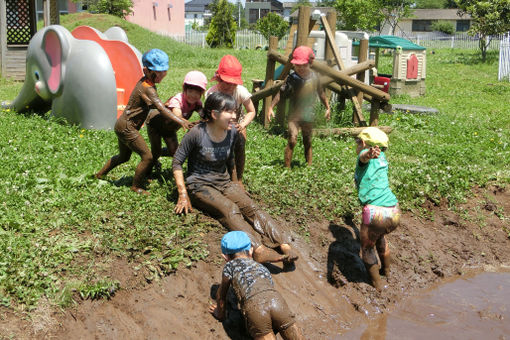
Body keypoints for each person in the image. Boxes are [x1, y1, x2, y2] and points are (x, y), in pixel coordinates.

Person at [172, 91, 298, 265]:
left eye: (235, 112)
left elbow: (231, 160)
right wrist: (182, 194)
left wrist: (237, 182)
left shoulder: (232, 133)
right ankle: (257, 249)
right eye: (229, 112)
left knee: (251, 207)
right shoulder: (196, 133)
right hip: (199, 185)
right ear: (214, 114)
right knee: (229, 209)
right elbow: (177, 162)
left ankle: (284, 244)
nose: (234, 116)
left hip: (223, 182)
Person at [95, 49, 192, 194]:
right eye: (158, 72)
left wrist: (165, 104)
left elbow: (152, 104)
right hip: (127, 127)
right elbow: (159, 108)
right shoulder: (148, 88)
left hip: (122, 124)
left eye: (164, 71)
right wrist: (181, 120)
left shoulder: (146, 83)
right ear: (146, 70)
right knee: (148, 157)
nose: (162, 75)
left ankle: (99, 175)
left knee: (123, 157)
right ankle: (136, 186)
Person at [209, 231, 304, 340]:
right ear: (250, 251)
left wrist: (220, 313)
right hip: (277, 301)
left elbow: (221, 295)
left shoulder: (229, 266)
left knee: (263, 329)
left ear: (225, 257)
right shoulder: (261, 267)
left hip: (255, 308)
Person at [267, 45, 331, 168]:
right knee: (292, 139)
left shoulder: (315, 78)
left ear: (310, 63)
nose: (300, 68)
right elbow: (280, 93)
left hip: (308, 114)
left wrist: (328, 107)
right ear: (293, 65)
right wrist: (271, 107)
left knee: (307, 141)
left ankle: (309, 166)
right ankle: (287, 168)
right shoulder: (291, 78)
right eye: (298, 65)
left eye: (304, 65)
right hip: (294, 116)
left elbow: (321, 93)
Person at [354, 127, 400, 291]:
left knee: (367, 248)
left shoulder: (364, 155)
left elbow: (363, 158)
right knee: (380, 237)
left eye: (357, 142)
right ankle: (386, 272)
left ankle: (378, 287)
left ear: (364, 143)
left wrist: (367, 153)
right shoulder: (382, 158)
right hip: (393, 211)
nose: (356, 145)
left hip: (375, 213)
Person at [206, 55, 256, 185]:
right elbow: (208, 117)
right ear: (219, 79)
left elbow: (251, 111)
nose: (229, 87)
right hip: (217, 125)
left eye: (233, 84)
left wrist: (243, 124)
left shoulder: (240, 92)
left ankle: (239, 179)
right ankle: (217, 173)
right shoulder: (212, 94)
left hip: (237, 124)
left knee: (240, 146)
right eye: (226, 83)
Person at [146, 70, 207, 171]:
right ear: (184, 89)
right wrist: (189, 123)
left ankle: (153, 154)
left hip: (169, 129)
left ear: (202, 93)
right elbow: (177, 116)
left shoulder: (197, 103)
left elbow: (203, 114)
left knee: (174, 152)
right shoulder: (177, 100)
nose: (193, 95)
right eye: (190, 91)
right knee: (156, 151)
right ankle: (148, 168)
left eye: (197, 93)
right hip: (155, 124)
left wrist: (205, 118)